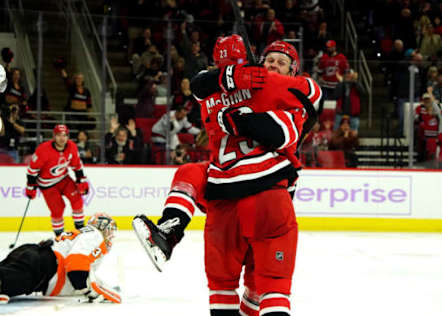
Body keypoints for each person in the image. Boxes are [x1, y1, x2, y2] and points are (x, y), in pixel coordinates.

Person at [134, 36, 322, 316]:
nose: (273, 65)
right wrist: (235, 79)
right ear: (258, 61)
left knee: (234, 288)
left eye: (281, 63)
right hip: (262, 194)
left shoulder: (256, 89)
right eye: (269, 60)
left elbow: (199, 84)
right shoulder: (258, 88)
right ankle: (169, 230)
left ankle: (170, 231)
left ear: (293, 70)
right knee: (268, 287)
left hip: (233, 192)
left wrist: (233, 96)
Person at [0, 213, 120, 304]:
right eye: (110, 230)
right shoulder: (95, 235)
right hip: (43, 266)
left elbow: (78, 271)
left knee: (5, 282)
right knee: (4, 282)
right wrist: (87, 291)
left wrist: (100, 286)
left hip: (34, 255)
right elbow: (76, 268)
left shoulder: (84, 233)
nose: (111, 235)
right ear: (102, 227)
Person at [26, 124, 89, 236]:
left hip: (63, 179)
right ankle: (59, 236)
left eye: (65, 135)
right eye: (59, 135)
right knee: (57, 210)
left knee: (77, 200)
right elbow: (32, 170)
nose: (62, 138)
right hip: (47, 184)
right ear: (54, 136)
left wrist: (81, 181)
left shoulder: (72, 147)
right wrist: (31, 187)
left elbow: (77, 166)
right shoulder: (43, 149)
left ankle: (81, 231)